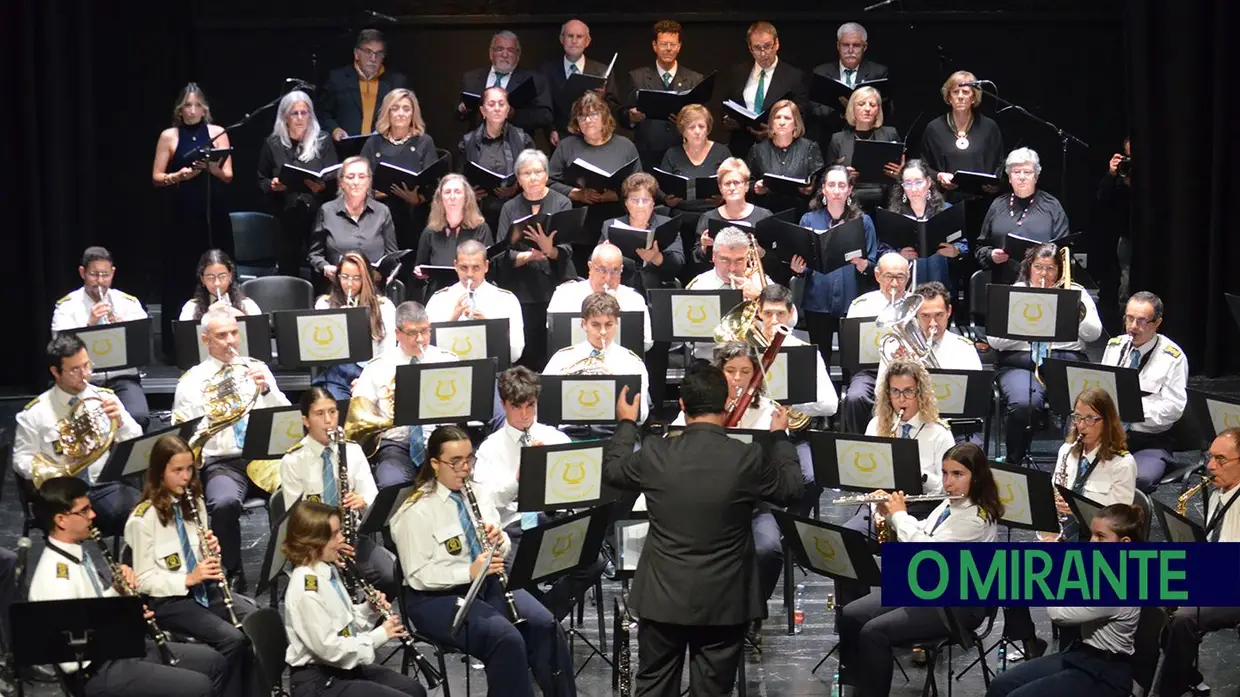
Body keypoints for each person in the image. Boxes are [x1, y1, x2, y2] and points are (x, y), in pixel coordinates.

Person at [602, 364, 803, 696]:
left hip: (662, 598)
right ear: (726, 406)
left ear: (682, 405)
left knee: (653, 688)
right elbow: (793, 488)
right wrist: (779, 437)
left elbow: (612, 470)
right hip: (724, 602)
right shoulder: (747, 457)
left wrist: (626, 423)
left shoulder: (655, 452)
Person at [391, 426, 577, 697]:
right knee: (505, 638)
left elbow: (503, 545)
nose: (464, 469)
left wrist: (498, 539)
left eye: (468, 460)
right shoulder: (415, 511)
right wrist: (468, 571)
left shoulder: (479, 493)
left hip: (485, 584)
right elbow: (417, 574)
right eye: (455, 462)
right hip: (434, 598)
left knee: (545, 625)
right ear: (434, 463)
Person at [30, 475, 227, 697]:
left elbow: (91, 607)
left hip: (117, 650)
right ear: (61, 520)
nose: (93, 515)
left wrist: (117, 591)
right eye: (84, 511)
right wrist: (119, 620)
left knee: (214, 661)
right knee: (199, 686)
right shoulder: (56, 579)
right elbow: (70, 661)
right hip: (97, 674)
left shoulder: (75, 554)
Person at [838, 442, 1002, 697]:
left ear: (977, 477)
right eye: (945, 473)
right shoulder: (950, 504)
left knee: (874, 632)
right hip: (927, 586)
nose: (948, 482)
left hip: (957, 604)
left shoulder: (974, 518)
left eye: (958, 474)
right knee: (851, 614)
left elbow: (929, 554)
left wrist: (900, 515)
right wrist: (889, 512)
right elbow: (926, 529)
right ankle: (856, 684)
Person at [1001, 386, 1136, 660]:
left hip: (1097, 549)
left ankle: (1070, 654)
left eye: (1090, 419)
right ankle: (1029, 642)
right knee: (1006, 573)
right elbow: (1053, 496)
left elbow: (1119, 519)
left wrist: (1077, 509)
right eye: (1077, 417)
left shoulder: (1122, 463)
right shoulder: (1067, 451)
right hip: (1065, 538)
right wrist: (1049, 528)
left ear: (1106, 421)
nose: (1082, 425)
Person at [124, 435, 256, 696]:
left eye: (189, 469)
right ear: (160, 473)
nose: (186, 477)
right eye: (177, 470)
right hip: (169, 600)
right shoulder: (143, 519)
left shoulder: (194, 503)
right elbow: (143, 579)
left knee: (255, 622)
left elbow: (200, 554)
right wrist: (187, 579)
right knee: (233, 640)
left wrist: (212, 552)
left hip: (204, 589)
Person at [172, 308, 291, 590]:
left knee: (297, 490)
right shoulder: (192, 382)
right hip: (222, 462)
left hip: (263, 456)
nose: (230, 341)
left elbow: (286, 418)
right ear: (206, 340)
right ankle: (232, 569)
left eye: (234, 333)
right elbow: (183, 435)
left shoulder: (257, 368)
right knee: (224, 503)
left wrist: (266, 391)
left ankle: (287, 561)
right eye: (221, 335)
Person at [471, 366, 604, 620]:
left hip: (551, 522)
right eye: (516, 407)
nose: (524, 415)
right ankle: (543, 623)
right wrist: (519, 479)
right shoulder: (490, 448)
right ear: (504, 405)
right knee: (504, 573)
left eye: (530, 406)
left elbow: (578, 494)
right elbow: (487, 501)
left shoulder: (555, 438)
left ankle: (545, 620)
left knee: (593, 560)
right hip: (513, 529)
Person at [984, 504, 1144, 697]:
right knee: (1000, 685)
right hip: (1081, 655)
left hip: (1106, 673)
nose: (1092, 543)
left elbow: (1059, 614)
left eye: (1101, 537)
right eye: (1092, 535)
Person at [283, 500, 426, 697]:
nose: (342, 538)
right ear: (313, 541)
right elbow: (331, 650)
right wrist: (380, 635)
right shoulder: (307, 591)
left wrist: (369, 609)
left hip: (341, 669)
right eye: (334, 535)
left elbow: (344, 626)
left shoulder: (327, 571)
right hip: (318, 681)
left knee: (414, 690)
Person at [14, 334, 143, 535]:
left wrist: (121, 422)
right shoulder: (34, 414)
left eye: (87, 365)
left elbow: (136, 443)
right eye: (75, 369)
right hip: (61, 494)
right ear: (55, 372)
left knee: (145, 512)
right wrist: (50, 471)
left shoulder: (105, 398)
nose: (85, 374)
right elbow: (21, 459)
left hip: (102, 486)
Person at [987, 243, 1101, 466]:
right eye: (1038, 267)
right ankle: (1014, 464)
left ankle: (1079, 464)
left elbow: (1094, 334)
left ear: (1059, 271)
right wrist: (1031, 326)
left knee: (1086, 405)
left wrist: (1073, 315)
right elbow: (994, 340)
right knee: (1023, 404)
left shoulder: (1074, 290)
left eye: (1050, 269)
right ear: (1029, 267)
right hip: (1020, 362)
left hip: (1065, 360)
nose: (1043, 273)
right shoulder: (1015, 292)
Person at [280, 390, 397, 600]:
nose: (328, 421)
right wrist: (327, 544)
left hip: (352, 538)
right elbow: (297, 519)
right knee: (325, 591)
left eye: (332, 412)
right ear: (306, 421)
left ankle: (368, 618)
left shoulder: (352, 451)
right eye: (319, 414)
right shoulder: (293, 461)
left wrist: (361, 501)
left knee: (391, 575)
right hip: (315, 545)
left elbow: (371, 497)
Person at [150, 83, 234, 361]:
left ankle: (226, 338)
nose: (193, 110)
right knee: (180, 275)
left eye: (198, 105)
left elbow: (228, 175)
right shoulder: (169, 135)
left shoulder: (217, 133)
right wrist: (180, 176)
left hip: (212, 211)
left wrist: (210, 166)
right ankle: (179, 348)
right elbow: (157, 177)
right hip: (181, 214)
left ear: (205, 109)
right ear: (180, 109)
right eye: (188, 105)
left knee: (217, 267)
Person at [840, 359, 955, 558]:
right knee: (847, 542)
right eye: (895, 391)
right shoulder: (876, 425)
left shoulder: (939, 433)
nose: (902, 399)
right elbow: (867, 475)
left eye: (909, 391)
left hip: (923, 510)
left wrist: (920, 476)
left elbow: (948, 489)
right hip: (882, 506)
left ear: (921, 393)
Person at [1158, 427, 1240, 697]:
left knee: (1184, 618)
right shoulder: (1218, 494)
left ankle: (1167, 691)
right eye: (1210, 457)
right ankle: (1189, 677)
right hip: (1216, 574)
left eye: (1220, 460)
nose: (1210, 466)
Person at [347, 301, 458, 488]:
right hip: (395, 443)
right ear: (398, 334)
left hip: (440, 440)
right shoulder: (377, 366)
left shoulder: (448, 360)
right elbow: (359, 411)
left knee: (455, 480)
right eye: (412, 333)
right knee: (393, 485)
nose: (421, 339)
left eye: (425, 331)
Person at [494, 149, 578, 368]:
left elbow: (567, 249)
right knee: (527, 354)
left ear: (547, 175)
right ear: (519, 179)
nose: (532, 178)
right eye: (526, 173)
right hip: (521, 289)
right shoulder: (509, 208)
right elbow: (501, 254)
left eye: (538, 172)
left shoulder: (561, 203)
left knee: (555, 352)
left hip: (555, 286)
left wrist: (549, 251)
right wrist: (529, 256)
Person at [51, 246, 151, 428]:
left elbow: (143, 344)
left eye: (105, 275)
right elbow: (60, 348)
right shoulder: (67, 307)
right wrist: (89, 325)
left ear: (113, 272)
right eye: (94, 274)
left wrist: (122, 328)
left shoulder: (128, 303)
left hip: (123, 378)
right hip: (83, 380)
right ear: (82, 272)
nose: (100, 281)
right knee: (83, 424)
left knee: (138, 417)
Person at [793, 165, 878, 371]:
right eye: (832, 185)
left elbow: (875, 265)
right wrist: (798, 268)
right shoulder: (809, 219)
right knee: (820, 363)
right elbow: (804, 264)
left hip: (852, 301)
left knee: (852, 363)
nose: (837, 190)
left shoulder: (863, 221)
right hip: (817, 301)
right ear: (823, 189)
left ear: (849, 190)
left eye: (842, 185)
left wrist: (863, 264)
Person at [1100, 292, 1186, 490]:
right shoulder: (1114, 346)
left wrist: (1132, 411)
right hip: (1112, 435)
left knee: (1139, 479)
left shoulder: (1172, 357)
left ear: (1157, 323)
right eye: (1129, 318)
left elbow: (1174, 408)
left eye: (1141, 321)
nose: (1133, 326)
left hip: (1150, 441)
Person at [549, 91, 642, 271]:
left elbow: (639, 184)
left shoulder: (625, 146)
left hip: (616, 217)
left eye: (593, 114)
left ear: (604, 117)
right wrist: (576, 193)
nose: (587, 120)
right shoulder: (567, 146)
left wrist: (616, 195)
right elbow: (549, 181)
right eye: (582, 116)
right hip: (579, 221)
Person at [257, 89, 338, 276]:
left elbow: (333, 176)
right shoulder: (273, 143)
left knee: (319, 267)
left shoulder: (323, 140)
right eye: (295, 113)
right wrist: (272, 185)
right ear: (285, 116)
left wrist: (323, 186)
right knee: (288, 265)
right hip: (285, 214)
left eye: (304, 112)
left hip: (318, 214)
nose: (300, 118)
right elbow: (261, 179)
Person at [543, 292, 652, 425]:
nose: (603, 332)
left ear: (617, 323)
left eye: (609, 324)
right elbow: (545, 406)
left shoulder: (632, 362)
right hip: (570, 433)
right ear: (584, 324)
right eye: (595, 325)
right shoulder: (562, 358)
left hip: (614, 432)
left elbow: (642, 415)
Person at [839, 252, 913, 433]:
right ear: (877, 275)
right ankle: (863, 444)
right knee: (855, 397)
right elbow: (852, 351)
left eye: (900, 277)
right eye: (889, 277)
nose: (894, 283)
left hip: (909, 372)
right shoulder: (860, 305)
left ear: (908, 277)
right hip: (869, 371)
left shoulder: (916, 304)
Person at [976, 147, 1071, 284]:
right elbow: (981, 247)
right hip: (1003, 282)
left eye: (1027, 172)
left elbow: (1063, 251)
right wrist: (991, 255)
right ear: (1009, 178)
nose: (1021, 177)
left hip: (1042, 284)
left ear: (1036, 177)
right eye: (1016, 172)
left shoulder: (1052, 205)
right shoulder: (997, 205)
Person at [621, 20, 707, 171]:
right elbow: (622, 114)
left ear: (679, 46)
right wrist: (631, 117)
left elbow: (703, 119)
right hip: (647, 156)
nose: (668, 49)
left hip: (684, 154)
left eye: (673, 44)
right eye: (663, 44)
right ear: (654, 45)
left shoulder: (695, 79)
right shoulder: (637, 77)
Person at [311, 250, 397, 400]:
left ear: (366, 279)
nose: (349, 284)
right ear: (338, 277)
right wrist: (337, 324)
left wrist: (368, 380)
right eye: (345, 277)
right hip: (336, 373)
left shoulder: (384, 307)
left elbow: (388, 352)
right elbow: (318, 351)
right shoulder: (324, 304)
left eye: (357, 278)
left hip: (371, 371)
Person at [359, 88, 438, 250]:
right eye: (395, 108)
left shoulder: (424, 142)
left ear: (413, 113)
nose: (401, 113)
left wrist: (417, 199)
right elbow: (359, 178)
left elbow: (434, 184)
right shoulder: (374, 142)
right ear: (387, 112)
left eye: (406, 109)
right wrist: (373, 194)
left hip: (413, 215)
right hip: (377, 214)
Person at [425, 239, 524, 361]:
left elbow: (515, 354)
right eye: (464, 267)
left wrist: (491, 327)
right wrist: (451, 322)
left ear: (486, 266)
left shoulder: (506, 300)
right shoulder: (439, 299)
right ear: (455, 265)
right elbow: (427, 350)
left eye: (476, 267)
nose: (470, 274)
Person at [723, 21, 809, 159]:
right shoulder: (738, 72)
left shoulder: (794, 77)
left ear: (777, 44)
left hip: (778, 150)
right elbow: (728, 104)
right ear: (750, 48)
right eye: (757, 48)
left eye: (768, 46)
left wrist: (773, 131)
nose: (763, 53)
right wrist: (728, 120)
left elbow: (801, 116)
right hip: (741, 148)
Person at [457, 85, 536, 233]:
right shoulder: (467, 142)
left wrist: (517, 186)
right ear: (483, 111)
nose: (497, 108)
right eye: (491, 104)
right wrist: (469, 193)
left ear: (508, 110)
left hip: (516, 212)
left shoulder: (523, 139)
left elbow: (537, 173)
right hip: (479, 212)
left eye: (501, 104)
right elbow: (459, 178)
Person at [548, 243, 653, 352]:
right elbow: (555, 336)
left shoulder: (634, 299)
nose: (608, 278)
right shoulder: (565, 295)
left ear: (622, 270)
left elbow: (646, 343)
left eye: (615, 271)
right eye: (602, 270)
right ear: (590, 267)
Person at [309, 156, 398, 285]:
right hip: (337, 286)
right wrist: (325, 267)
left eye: (362, 177)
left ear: (369, 181)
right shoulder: (326, 210)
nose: (356, 182)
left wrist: (386, 273)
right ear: (341, 182)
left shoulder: (382, 211)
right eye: (350, 177)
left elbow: (392, 255)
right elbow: (315, 255)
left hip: (374, 287)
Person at [876, 282, 982, 385]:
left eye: (939, 315)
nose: (933, 324)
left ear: (949, 311)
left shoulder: (965, 349)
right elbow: (879, 391)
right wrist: (895, 370)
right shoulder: (896, 347)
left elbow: (976, 389)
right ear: (915, 315)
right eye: (926, 316)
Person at [919, 70, 1004, 198]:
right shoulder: (934, 128)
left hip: (982, 199)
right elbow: (924, 166)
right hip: (945, 201)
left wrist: (995, 183)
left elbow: (1000, 164)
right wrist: (939, 176)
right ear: (949, 97)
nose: (960, 96)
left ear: (974, 98)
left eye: (965, 92)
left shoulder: (989, 127)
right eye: (955, 92)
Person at [882, 160, 965, 291]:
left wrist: (956, 251)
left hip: (941, 285)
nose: (914, 189)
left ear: (928, 182)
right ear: (902, 186)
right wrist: (898, 255)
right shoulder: (894, 215)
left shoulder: (946, 211)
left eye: (918, 182)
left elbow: (963, 246)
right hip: (906, 289)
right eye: (908, 183)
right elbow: (882, 251)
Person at [540, 18, 623, 147]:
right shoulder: (546, 71)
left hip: (596, 140)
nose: (574, 41)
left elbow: (615, 108)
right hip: (561, 140)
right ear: (561, 39)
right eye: (570, 36)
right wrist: (550, 130)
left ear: (587, 41)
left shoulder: (602, 71)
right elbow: (544, 107)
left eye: (579, 36)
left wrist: (601, 100)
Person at [658, 104, 731, 247]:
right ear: (683, 130)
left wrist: (723, 197)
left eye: (701, 127)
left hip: (714, 216)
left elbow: (734, 183)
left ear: (708, 128)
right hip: (680, 216)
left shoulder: (722, 152)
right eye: (692, 127)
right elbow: (661, 187)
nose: (697, 131)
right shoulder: (672, 154)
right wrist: (667, 199)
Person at [600, 172, 685, 293]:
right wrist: (603, 253)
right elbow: (594, 260)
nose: (640, 206)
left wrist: (657, 257)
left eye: (645, 200)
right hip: (619, 290)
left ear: (653, 202)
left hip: (658, 290)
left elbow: (678, 263)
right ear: (626, 202)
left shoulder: (667, 224)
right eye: (634, 200)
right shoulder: (610, 225)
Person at [457, 30, 552, 138]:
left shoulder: (533, 80)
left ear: (518, 55)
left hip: (516, 146)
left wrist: (514, 114)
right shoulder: (471, 78)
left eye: (510, 50)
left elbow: (546, 116)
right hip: (479, 146)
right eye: (499, 49)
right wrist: (462, 109)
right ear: (491, 53)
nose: (505, 54)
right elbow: (457, 114)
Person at [318, 29, 409, 141]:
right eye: (368, 52)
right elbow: (322, 113)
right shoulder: (338, 79)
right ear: (356, 54)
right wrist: (335, 130)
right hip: (345, 149)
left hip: (384, 148)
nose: (373, 59)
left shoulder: (396, 82)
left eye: (378, 53)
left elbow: (407, 116)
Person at [413, 173, 494, 298]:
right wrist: (419, 273)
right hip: (439, 296)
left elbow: (491, 268)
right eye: (447, 192)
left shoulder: (481, 229)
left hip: (474, 294)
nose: (452, 197)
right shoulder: (430, 231)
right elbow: (420, 267)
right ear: (440, 199)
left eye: (457, 192)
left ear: (466, 198)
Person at [824, 86, 901, 211]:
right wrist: (844, 175)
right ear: (852, 109)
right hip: (850, 199)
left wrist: (899, 173)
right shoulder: (838, 139)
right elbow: (828, 174)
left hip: (886, 198)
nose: (867, 109)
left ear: (878, 110)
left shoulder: (890, 134)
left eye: (872, 105)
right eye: (861, 104)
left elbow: (902, 170)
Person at [809, 22, 891, 136]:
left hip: (866, 135)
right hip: (828, 134)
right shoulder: (821, 72)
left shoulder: (878, 72)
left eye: (856, 45)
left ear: (865, 47)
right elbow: (815, 110)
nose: (850, 50)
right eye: (845, 45)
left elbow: (885, 109)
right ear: (838, 46)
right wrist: (846, 109)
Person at [747, 99, 824, 219]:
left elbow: (821, 181)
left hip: (800, 213)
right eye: (777, 117)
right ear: (771, 122)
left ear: (796, 123)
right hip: (766, 213)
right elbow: (747, 182)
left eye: (787, 118)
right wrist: (755, 188)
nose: (782, 122)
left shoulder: (809, 148)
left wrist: (811, 189)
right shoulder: (758, 150)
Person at [692, 158, 774, 268]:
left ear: (746, 186)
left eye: (736, 183)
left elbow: (776, 261)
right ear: (720, 189)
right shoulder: (707, 218)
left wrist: (762, 253)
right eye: (727, 184)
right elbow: (696, 261)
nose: (732, 188)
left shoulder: (764, 216)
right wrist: (703, 247)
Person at [1094, 137, 1132, 331]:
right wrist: (1112, 174)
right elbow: (1102, 198)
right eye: (1127, 156)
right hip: (1126, 236)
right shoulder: (1120, 177)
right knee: (1125, 284)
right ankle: (1126, 327)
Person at [178, 249, 263, 321]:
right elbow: (186, 338)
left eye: (222, 276)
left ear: (230, 276)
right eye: (210, 277)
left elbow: (259, 333)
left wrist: (240, 316)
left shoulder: (247, 305)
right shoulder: (191, 308)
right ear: (202, 279)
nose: (217, 283)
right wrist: (208, 316)